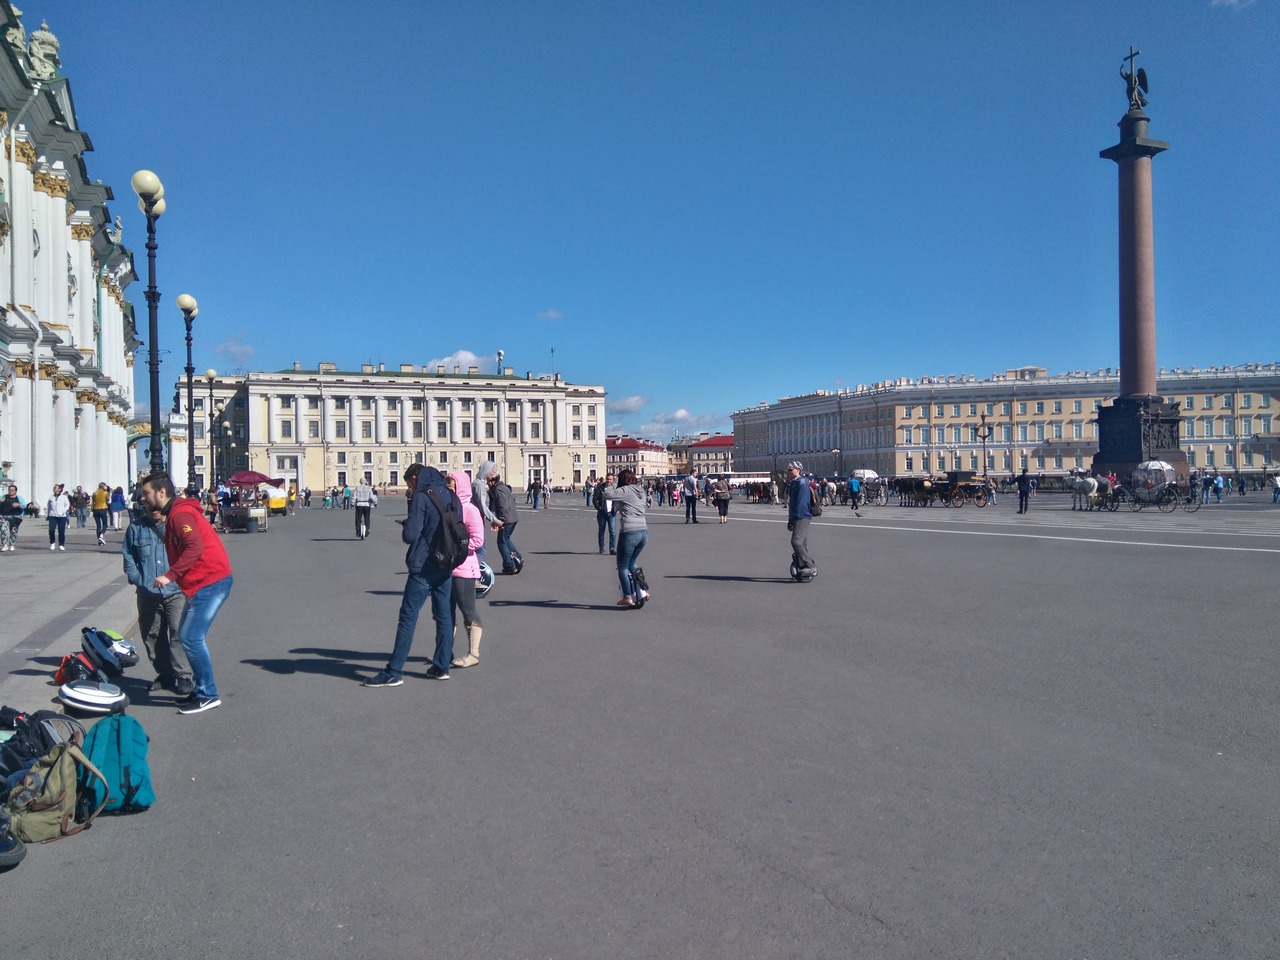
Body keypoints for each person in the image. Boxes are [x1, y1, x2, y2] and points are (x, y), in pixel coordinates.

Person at [137, 472, 234, 715]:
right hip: (206, 582)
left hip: (211, 581)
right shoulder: (177, 513)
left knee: (191, 638)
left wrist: (169, 576)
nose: (143, 498)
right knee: (188, 636)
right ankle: (202, 690)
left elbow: (194, 546)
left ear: (162, 492)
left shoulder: (180, 515)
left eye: (146, 493)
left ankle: (208, 694)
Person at [363, 463, 456, 686]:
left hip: (424, 565)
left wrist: (407, 526)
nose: (410, 489)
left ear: (415, 478)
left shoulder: (421, 498)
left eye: (409, 484)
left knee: (408, 616)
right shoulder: (451, 494)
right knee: (444, 615)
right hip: (447, 562)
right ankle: (442, 665)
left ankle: (394, 671)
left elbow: (411, 535)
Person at [122, 498, 194, 697]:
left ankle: (183, 675)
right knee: (151, 635)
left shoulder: (176, 525)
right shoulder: (136, 528)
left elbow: (189, 552)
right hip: (148, 593)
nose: (153, 510)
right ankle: (164, 674)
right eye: (149, 506)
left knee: (178, 633)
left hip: (175, 591)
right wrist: (138, 579)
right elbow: (128, 556)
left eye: (157, 507)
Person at [447, 470, 485, 669]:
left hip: (465, 568)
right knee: (446, 612)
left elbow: (478, 540)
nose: (448, 488)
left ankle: (473, 654)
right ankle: (444, 652)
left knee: (468, 610)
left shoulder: (470, 510)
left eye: (451, 485)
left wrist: (456, 547)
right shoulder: (448, 508)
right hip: (447, 568)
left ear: (460, 487)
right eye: (447, 484)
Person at [603, 468, 649, 607]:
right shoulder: (641, 491)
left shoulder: (625, 490)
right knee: (631, 563)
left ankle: (627, 596)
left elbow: (607, 494)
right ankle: (644, 589)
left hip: (630, 532)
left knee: (622, 566)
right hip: (643, 532)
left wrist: (614, 482)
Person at [486, 469, 524, 575]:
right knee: (506, 539)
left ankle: (509, 565)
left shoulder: (498, 489)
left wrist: (501, 519)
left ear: (493, 481)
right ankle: (518, 558)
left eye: (488, 481)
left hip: (507, 519)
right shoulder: (504, 487)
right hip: (513, 518)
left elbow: (503, 505)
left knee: (501, 542)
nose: (487, 484)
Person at [785, 462, 816, 577]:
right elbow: (792, 504)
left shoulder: (802, 482)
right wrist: (790, 519)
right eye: (788, 470)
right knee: (802, 543)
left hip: (802, 516)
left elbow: (801, 503)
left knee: (796, 542)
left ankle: (810, 566)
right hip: (797, 516)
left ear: (798, 470)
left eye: (790, 470)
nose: (788, 472)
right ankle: (802, 564)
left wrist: (795, 518)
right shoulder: (793, 483)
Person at [593, 473, 618, 553]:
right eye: (607, 479)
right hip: (602, 513)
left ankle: (612, 548)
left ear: (613, 480)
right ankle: (601, 547)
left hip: (611, 512)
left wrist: (616, 509)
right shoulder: (601, 487)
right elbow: (595, 499)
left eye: (610, 479)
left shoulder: (615, 488)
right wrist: (599, 508)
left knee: (612, 531)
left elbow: (618, 500)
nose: (609, 481)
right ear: (605, 479)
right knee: (601, 531)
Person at [47, 483, 71, 551]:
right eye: (54, 489)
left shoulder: (64, 497)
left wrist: (63, 511)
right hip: (52, 515)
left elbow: (67, 505)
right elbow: (49, 506)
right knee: (51, 530)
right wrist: (48, 515)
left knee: (61, 531)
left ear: (60, 490)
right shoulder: (51, 497)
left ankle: (61, 544)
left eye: (57, 488)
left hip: (61, 516)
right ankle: (52, 543)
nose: (55, 490)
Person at [0, 483, 22, 552]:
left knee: (13, 531)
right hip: (4, 516)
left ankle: (12, 545)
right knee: (3, 530)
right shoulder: (3, 497)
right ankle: (5, 545)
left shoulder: (19, 498)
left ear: (15, 491)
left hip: (15, 517)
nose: (10, 491)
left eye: (12, 490)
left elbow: (24, 505)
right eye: (9, 490)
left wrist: (18, 505)